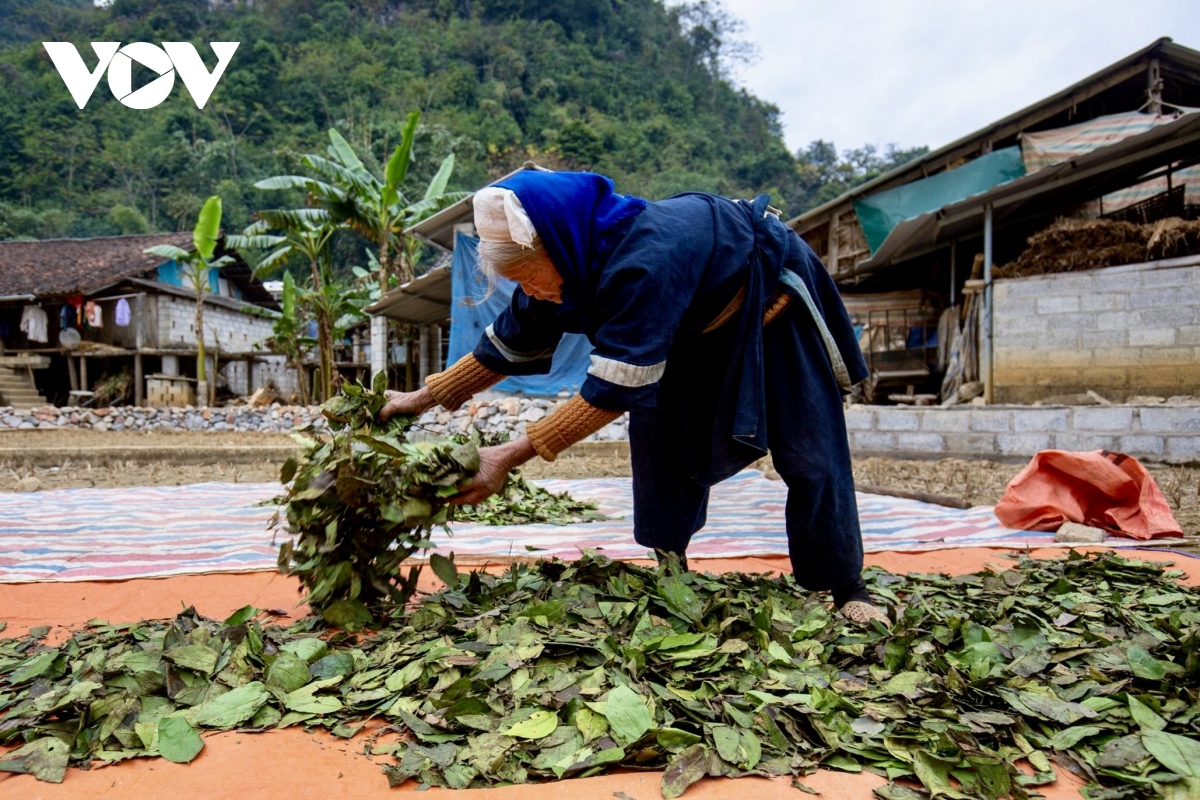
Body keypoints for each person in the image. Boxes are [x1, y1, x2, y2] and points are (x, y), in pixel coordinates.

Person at [381, 171, 888, 625]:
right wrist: (420, 399)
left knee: (810, 450)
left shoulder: (644, 262)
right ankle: (671, 569)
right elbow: (506, 345)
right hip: (689, 326)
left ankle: (845, 586)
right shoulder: (561, 267)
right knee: (660, 441)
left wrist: (508, 457)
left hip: (770, 305)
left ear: (557, 248)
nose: (532, 292)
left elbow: (611, 392)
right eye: (520, 284)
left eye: (531, 278)